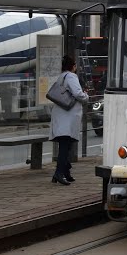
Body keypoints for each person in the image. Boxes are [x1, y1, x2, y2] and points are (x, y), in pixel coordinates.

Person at [48, 55, 90, 185]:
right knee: (65, 146)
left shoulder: (61, 77)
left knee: (65, 145)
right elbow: (77, 93)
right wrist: (86, 96)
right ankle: (59, 173)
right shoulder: (71, 76)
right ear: (73, 66)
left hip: (61, 115)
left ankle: (65, 173)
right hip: (68, 116)